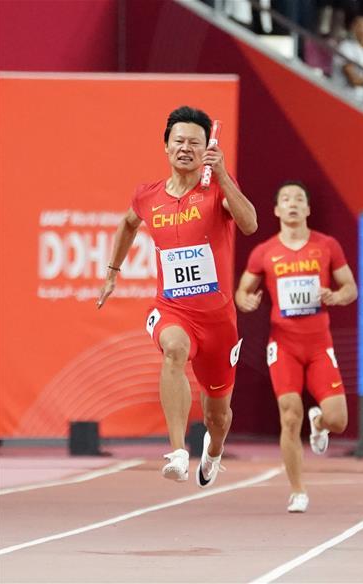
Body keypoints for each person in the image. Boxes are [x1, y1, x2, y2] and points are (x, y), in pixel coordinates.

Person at [97, 106, 258, 486]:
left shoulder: (217, 189)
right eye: (179, 141)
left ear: (207, 149)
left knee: (218, 416)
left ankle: (213, 452)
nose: (186, 148)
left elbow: (250, 224)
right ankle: (177, 451)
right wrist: (112, 271)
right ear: (166, 146)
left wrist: (222, 174)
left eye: (194, 143)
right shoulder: (148, 195)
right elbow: (127, 224)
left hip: (218, 322)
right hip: (173, 309)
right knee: (173, 349)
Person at [235, 181, 356, 513]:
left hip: (318, 345)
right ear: (276, 210)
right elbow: (242, 291)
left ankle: (319, 424)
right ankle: (297, 490)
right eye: (286, 199)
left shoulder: (327, 245)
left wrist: (336, 296)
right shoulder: (264, 252)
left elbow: (350, 288)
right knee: (289, 415)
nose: (292, 204)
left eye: (299, 199)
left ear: (307, 209)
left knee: (338, 420)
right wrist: (246, 301)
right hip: (284, 344)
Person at [331, 14, 363, 107]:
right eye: (358, 26)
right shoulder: (345, 46)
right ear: (352, 28)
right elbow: (353, 80)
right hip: (343, 98)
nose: (362, 29)